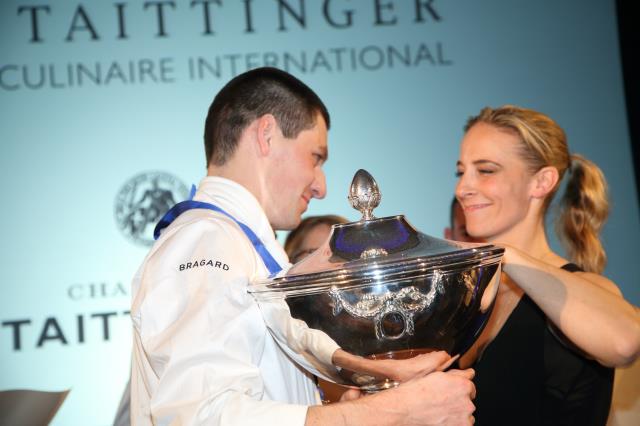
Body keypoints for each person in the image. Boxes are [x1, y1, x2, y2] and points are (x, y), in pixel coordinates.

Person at [130, 67, 476, 426]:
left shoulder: (236, 243)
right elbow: (201, 416)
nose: (321, 186)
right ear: (266, 135)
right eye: (316, 157)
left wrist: (361, 391)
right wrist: (396, 412)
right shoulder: (207, 242)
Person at [454, 105, 640, 425]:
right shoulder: (464, 294)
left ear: (541, 182)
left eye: (485, 170)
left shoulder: (587, 289)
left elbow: (624, 344)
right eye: (461, 172)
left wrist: (505, 254)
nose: (462, 188)